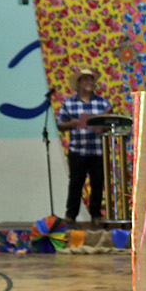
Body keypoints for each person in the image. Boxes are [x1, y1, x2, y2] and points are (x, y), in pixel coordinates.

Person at [57, 68, 114, 228]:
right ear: (78, 83)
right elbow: (60, 125)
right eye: (85, 79)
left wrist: (103, 127)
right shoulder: (69, 103)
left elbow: (111, 124)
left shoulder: (103, 103)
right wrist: (71, 123)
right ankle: (71, 215)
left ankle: (96, 215)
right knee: (76, 182)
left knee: (97, 183)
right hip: (78, 150)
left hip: (98, 150)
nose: (90, 82)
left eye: (91, 79)